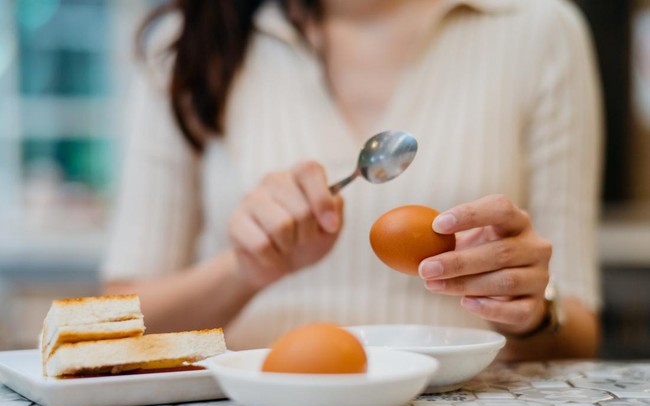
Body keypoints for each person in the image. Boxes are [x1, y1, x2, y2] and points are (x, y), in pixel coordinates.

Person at [103, 0, 603, 360]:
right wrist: (245, 269)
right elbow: (123, 323)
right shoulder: (189, 41)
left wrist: (529, 307)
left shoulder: (539, 30)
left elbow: (580, 332)